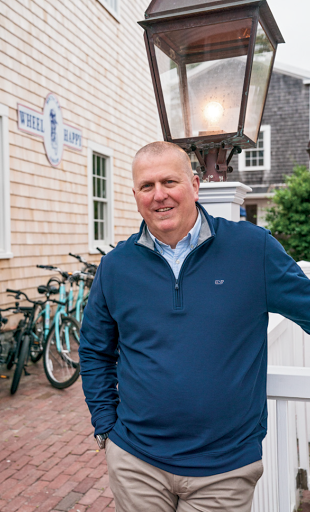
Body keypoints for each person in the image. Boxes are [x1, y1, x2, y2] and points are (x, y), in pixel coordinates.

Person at [79, 141, 310, 512]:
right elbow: (94, 350)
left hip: (224, 468)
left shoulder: (252, 250)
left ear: (196, 185)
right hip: (137, 462)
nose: (159, 196)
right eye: (147, 186)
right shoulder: (116, 266)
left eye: (170, 182)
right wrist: (106, 426)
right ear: (135, 195)